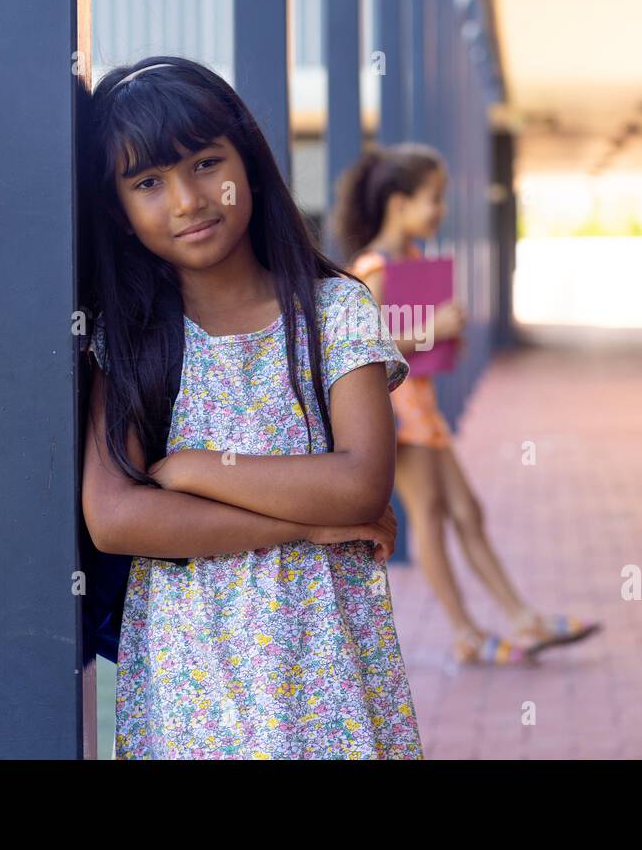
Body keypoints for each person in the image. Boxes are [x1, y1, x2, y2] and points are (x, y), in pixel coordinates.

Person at [80, 56, 423, 758]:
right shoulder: (133, 338)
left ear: (251, 163)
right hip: (190, 680)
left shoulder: (334, 312)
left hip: (324, 660)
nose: (185, 199)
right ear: (118, 210)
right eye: (148, 181)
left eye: (206, 163)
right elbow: (117, 517)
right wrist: (308, 523)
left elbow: (359, 483)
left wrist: (192, 467)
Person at [332, 142, 600, 667]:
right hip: (396, 415)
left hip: (421, 406)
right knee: (430, 517)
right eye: (434, 198)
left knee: (467, 512)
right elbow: (357, 347)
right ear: (398, 202)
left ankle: (522, 619)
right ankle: (467, 633)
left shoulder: (408, 262)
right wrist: (432, 332)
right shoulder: (373, 267)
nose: (442, 210)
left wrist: (443, 338)